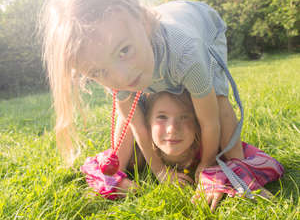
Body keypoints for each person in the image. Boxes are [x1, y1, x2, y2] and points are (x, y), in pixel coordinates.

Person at [41, 0, 257, 200]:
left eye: (124, 50)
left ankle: (238, 167)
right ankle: (114, 172)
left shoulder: (187, 52)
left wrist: (206, 165)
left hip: (204, 26)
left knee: (217, 98)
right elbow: (138, 127)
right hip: (160, 45)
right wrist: (161, 172)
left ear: (144, 22)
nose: (122, 77)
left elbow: (210, 121)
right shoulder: (111, 63)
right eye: (97, 72)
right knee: (126, 109)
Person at [81, 90, 284, 210]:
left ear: (198, 124)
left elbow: (269, 163)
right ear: (146, 124)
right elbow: (92, 166)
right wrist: (120, 183)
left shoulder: (207, 148)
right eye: (161, 117)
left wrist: (215, 175)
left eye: (185, 117)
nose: (172, 129)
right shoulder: (139, 153)